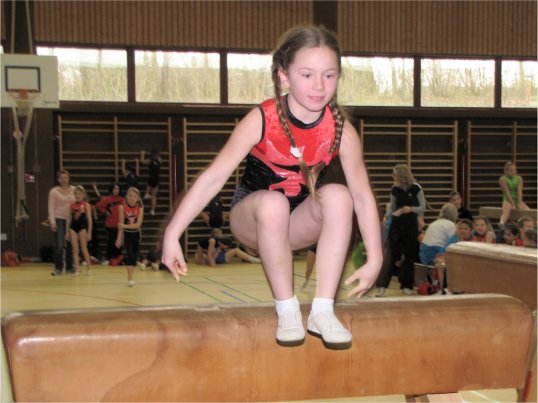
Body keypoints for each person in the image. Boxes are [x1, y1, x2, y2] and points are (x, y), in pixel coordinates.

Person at [162, 25, 383, 350]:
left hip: (297, 225)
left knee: (339, 195)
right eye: (307, 75)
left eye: (329, 75)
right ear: (284, 76)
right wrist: (172, 234)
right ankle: (287, 309)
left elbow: (363, 198)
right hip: (253, 221)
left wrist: (375, 257)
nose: (319, 86)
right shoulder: (262, 119)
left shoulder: (341, 131)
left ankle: (322, 310)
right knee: (273, 204)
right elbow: (213, 177)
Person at [381, 164, 425, 296]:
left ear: (402, 175)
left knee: (409, 256)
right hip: (396, 225)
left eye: (395, 174)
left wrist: (411, 209)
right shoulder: (394, 189)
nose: (393, 177)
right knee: (391, 255)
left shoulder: (416, 188)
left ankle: (407, 285)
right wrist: (386, 216)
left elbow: (422, 207)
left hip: (410, 226)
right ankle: (382, 285)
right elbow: (392, 207)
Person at [48, 169, 76, 276]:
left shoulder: (74, 189)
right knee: (59, 245)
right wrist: (52, 221)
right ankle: (58, 268)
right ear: (58, 180)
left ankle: (69, 267)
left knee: (70, 244)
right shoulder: (54, 191)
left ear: (69, 179)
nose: (64, 180)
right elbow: (51, 206)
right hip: (59, 219)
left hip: (71, 219)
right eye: (61, 178)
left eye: (65, 177)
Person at [115, 187, 144, 287]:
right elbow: (120, 225)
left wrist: (124, 226)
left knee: (134, 256)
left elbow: (138, 225)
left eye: (134, 196)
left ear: (138, 198)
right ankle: (130, 279)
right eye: (130, 196)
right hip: (127, 234)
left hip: (136, 234)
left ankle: (135, 268)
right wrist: (119, 238)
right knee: (130, 255)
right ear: (126, 197)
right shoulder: (122, 208)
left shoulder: (140, 209)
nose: (132, 198)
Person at [66, 185, 93, 275]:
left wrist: (89, 232)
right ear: (74, 195)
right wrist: (67, 231)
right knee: (75, 249)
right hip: (73, 228)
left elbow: (89, 220)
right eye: (76, 194)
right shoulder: (71, 205)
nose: (78, 195)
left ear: (83, 194)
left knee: (84, 248)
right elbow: (69, 218)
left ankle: (89, 268)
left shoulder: (86, 205)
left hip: (82, 228)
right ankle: (77, 269)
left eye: (80, 194)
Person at [95, 182, 124, 265]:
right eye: (115, 188)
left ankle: (118, 258)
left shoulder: (122, 200)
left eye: (118, 189)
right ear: (112, 189)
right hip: (110, 224)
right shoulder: (107, 199)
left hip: (119, 225)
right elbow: (98, 205)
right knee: (110, 242)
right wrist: (105, 211)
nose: (116, 190)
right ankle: (109, 257)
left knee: (119, 242)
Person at [194, 231, 261, 267]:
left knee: (236, 250)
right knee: (200, 256)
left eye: (221, 234)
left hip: (220, 257)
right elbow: (209, 253)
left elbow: (215, 254)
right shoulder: (212, 241)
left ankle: (256, 260)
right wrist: (212, 264)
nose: (220, 235)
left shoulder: (219, 243)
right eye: (218, 234)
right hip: (212, 257)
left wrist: (213, 262)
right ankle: (256, 260)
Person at [499, 162, 530, 226]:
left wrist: (519, 202)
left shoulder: (519, 178)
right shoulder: (503, 179)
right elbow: (507, 192)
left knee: (528, 212)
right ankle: (501, 223)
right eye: (511, 170)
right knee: (506, 212)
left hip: (517, 199)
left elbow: (519, 191)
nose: (513, 172)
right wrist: (513, 204)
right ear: (506, 171)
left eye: (514, 170)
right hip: (508, 199)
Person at [140, 150, 161, 216]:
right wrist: (157, 155)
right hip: (157, 179)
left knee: (149, 185)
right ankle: (152, 210)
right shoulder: (159, 161)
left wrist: (142, 154)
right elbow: (159, 157)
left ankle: (146, 194)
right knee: (154, 196)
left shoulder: (150, 161)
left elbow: (142, 160)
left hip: (151, 177)